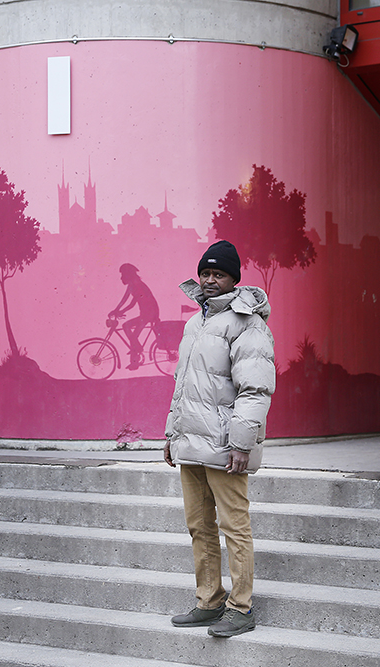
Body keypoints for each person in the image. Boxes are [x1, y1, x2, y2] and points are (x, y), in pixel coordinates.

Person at [163, 240, 275, 638]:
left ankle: (241, 608)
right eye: (206, 273)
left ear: (233, 279)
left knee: (234, 527)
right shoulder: (196, 323)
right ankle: (209, 601)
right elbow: (183, 386)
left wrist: (242, 443)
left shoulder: (248, 323)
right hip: (191, 442)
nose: (210, 280)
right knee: (199, 526)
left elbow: (255, 389)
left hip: (226, 447)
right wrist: (171, 434)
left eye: (219, 274)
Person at [108, 263, 160, 370]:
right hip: (147, 314)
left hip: (149, 314)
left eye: (123, 274)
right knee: (131, 335)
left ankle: (135, 358)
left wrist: (118, 311)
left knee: (132, 335)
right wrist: (117, 310)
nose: (121, 277)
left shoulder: (137, 285)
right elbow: (126, 300)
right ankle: (135, 356)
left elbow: (130, 302)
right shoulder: (133, 285)